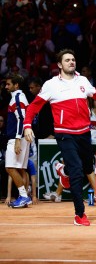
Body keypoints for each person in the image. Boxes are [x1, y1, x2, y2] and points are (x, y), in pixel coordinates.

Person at [24, 49, 96, 226]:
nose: (71, 62)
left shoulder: (82, 80)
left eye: (73, 59)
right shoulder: (51, 84)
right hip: (64, 133)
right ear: (59, 65)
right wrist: (27, 125)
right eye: (67, 60)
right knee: (76, 171)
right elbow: (34, 106)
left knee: (87, 168)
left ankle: (63, 171)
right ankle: (79, 214)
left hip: (84, 133)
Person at [5, 73, 31, 208]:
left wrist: (17, 139)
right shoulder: (20, 97)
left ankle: (24, 196)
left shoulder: (17, 98)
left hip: (17, 137)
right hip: (22, 136)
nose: (6, 86)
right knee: (20, 168)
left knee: (10, 167)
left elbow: (21, 119)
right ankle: (24, 197)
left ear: (16, 85)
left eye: (9, 84)